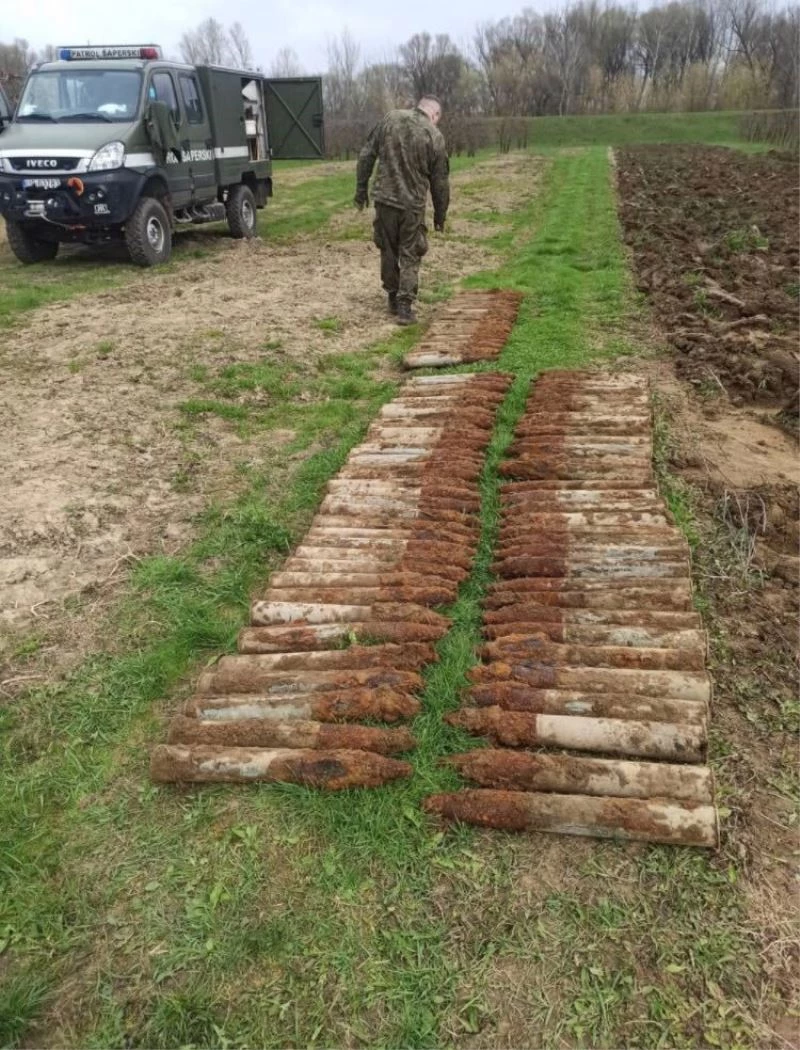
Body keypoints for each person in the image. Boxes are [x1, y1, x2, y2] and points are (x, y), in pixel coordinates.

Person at [354, 96, 450, 326]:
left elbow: (366, 155)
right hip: (412, 206)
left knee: (387, 249)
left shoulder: (390, 119)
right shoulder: (433, 135)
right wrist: (440, 214)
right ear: (434, 115)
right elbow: (440, 182)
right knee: (410, 252)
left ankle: (391, 295)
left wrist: (361, 188)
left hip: (384, 200)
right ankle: (405, 306)